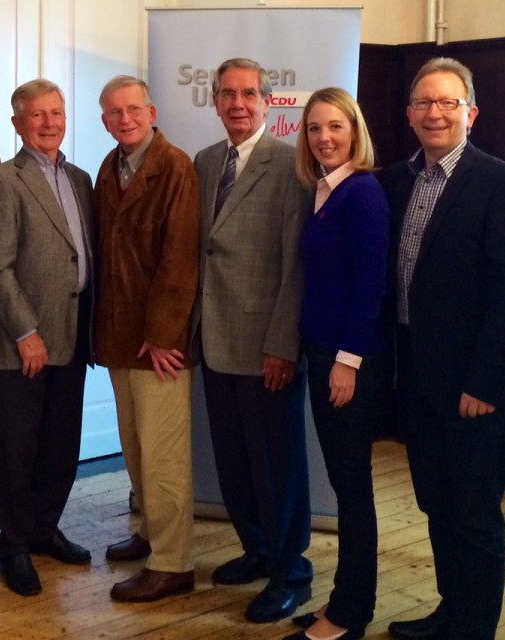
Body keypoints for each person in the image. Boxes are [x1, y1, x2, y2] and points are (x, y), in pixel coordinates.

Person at [383, 58, 505, 640]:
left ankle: (475, 629)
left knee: (474, 518)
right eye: (424, 102)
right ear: (409, 115)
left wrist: (484, 382)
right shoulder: (399, 181)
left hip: (475, 387)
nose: (435, 112)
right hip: (418, 380)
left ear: (470, 112)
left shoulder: (500, 183)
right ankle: (450, 612)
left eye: (448, 102)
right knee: (437, 507)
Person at [192, 57, 311, 623]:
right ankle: (258, 552)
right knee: (236, 462)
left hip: (267, 347)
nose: (237, 104)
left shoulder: (291, 165)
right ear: (214, 101)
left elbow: (296, 265)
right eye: (227, 94)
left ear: (267, 101)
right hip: (215, 340)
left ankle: (292, 574)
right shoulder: (206, 161)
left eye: (247, 94)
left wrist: (283, 345)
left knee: (277, 467)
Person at [0, 79, 95, 597]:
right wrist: (26, 331)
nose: (49, 123)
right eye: (37, 115)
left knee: (60, 446)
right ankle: (15, 545)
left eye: (56, 113)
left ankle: (46, 529)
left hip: (74, 336)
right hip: (25, 341)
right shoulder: (3, 180)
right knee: (17, 450)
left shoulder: (83, 179)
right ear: (17, 123)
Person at [284, 88, 390, 640]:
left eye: (335, 127)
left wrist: (346, 362)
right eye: (314, 128)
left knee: (352, 492)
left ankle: (349, 615)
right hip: (324, 352)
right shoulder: (324, 191)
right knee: (347, 487)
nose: (324, 137)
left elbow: (372, 285)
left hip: (348, 361)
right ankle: (343, 601)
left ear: (355, 131)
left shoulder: (362, 193)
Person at [93, 76, 200, 602]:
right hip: (119, 338)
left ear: (151, 111)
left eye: (133, 108)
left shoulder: (174, 165)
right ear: (104, 120)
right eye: (114, 112)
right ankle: (150, 533)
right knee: (135, 448)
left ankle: (173, 562)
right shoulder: (108, 168)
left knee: (163, 455)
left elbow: (181, 257)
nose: (125, 118)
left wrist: (162, 335)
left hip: (160, 344)